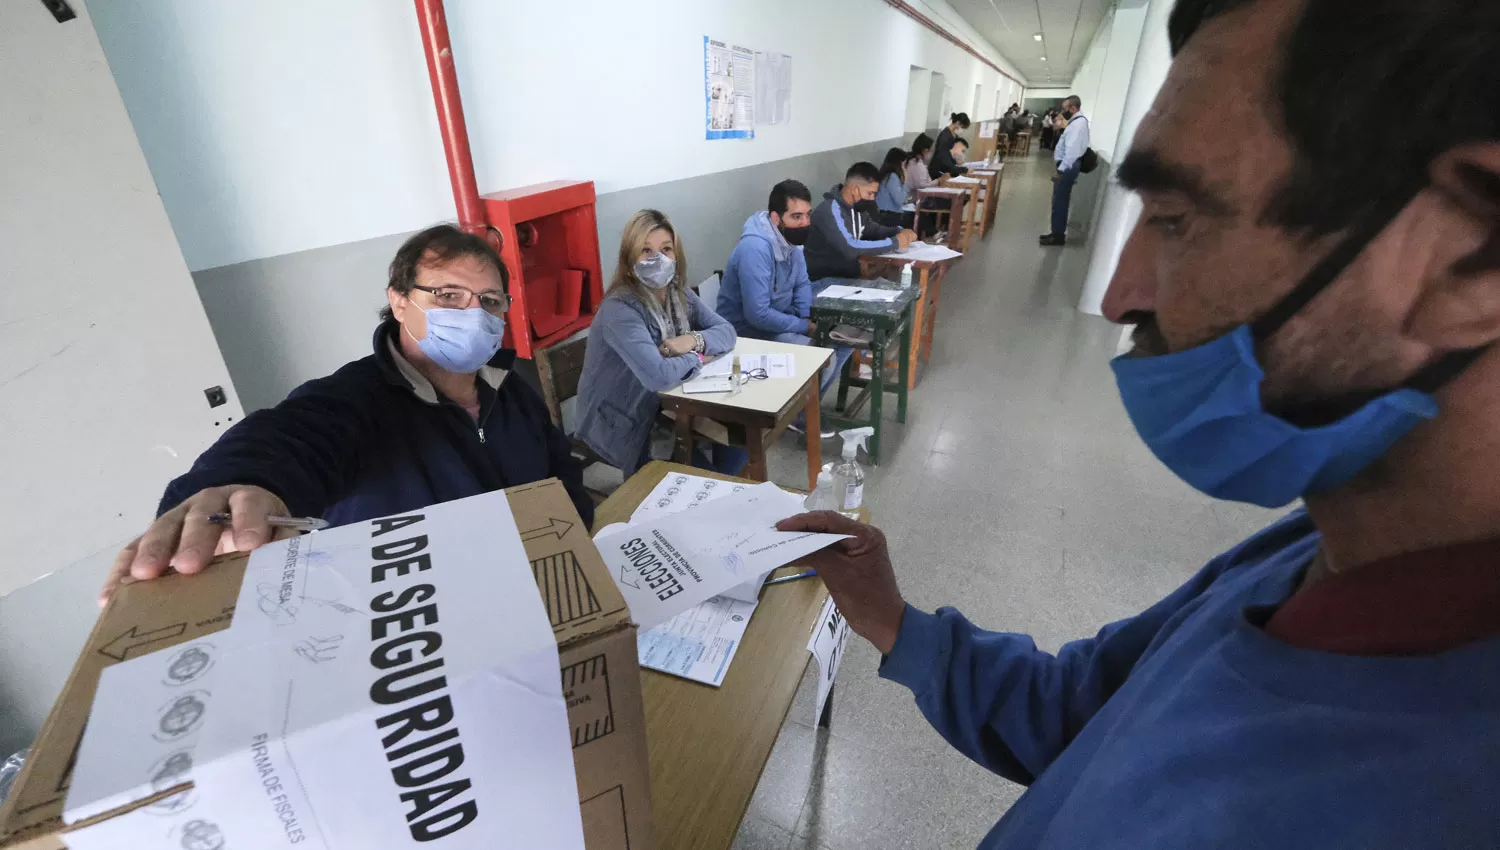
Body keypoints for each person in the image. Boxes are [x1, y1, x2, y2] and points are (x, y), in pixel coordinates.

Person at [781, 0, 1500, 846]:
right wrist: (893, 620)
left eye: (1178, 220)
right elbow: (1084, 712)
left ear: (1467, 257)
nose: (1120, 293)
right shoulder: (1307, 557)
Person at [100, 224, 593, 604]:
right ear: (399, 302)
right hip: (424, 625)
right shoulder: (356, 401)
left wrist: (570, 547)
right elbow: (296, 437)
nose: (472, 314)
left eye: (489, 302)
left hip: (534, 591)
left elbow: (563, 479)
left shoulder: (512, 391)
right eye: (447, 296)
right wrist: (243, 482)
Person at [575, 209, 746, 476]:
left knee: (741, 437)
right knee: (697, 476)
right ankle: (707, 491)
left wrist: (692, 340)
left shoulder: (679, 293)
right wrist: (699, 358)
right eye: (646, 251)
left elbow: (727, 331)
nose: (657, 258)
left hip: (667, 406)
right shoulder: (620, 310)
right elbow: (658, 376)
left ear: (676, 255)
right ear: (629, 257)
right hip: (622, 419)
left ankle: (721, 486)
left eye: (666, 249)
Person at [716, 180, 854, 428]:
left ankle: (806, 409)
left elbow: (802, 283)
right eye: (796, 216)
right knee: (817, 355)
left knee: (844, 343)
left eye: (807, 215)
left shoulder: (790, 241)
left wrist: (805, 317)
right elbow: (757, 315)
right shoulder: (755, 248)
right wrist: (804, 327)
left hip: (779, 320)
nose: (804, 223)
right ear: (776, 218)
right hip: (745, 331)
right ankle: (795, 414)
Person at [803, 162, 917, 285]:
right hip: (823, 281)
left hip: (847, 278)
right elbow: (850, 247)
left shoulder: (857, 209)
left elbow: (874, 230)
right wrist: (895, 242)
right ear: (855, 190)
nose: (873, 198)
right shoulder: (830, 210)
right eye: (870, 193)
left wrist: (899, 231)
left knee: (894, 291)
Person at [1040, 95, 1090, 246]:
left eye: (1065, 108)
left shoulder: (1078, 124)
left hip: (1068, 166)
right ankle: (1056, 232)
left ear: (1073, 108)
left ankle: (1057, 236)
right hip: (1068, 165)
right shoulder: (1075, 122)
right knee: (1059, 200)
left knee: (1060, 201)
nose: (1062, 111)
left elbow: (1072, 151)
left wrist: (1060, 171)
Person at [874, 146, 912, 227]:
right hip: (888, 216)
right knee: (914, 218)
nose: (905, 168)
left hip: (884, 214)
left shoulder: (886, 174)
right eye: (904, 164)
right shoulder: (892, 177)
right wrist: (905, 182)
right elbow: (900, 200)